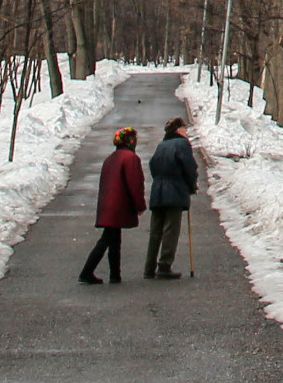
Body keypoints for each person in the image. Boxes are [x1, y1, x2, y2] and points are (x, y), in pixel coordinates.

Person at [79, 126, 144, 286]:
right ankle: (87, 272)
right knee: (107, 239)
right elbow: (135, 184)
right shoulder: (130, 158)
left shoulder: (111, 158)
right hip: (119, 206)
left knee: (113, 238)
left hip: (108, 205)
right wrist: (140, 205)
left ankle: (115, 274)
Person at [144, 115, 200, 279]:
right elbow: (189, 167)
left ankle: (149, 267)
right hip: (175, 190)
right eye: (184, 128)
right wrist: (191, 186)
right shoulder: (182, 144)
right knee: (171, 229)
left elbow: (153, 165)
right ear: (178, 130)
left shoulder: (162, 145)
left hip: (158, 189)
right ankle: (164, 265)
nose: (186, 131)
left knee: (156, 230)